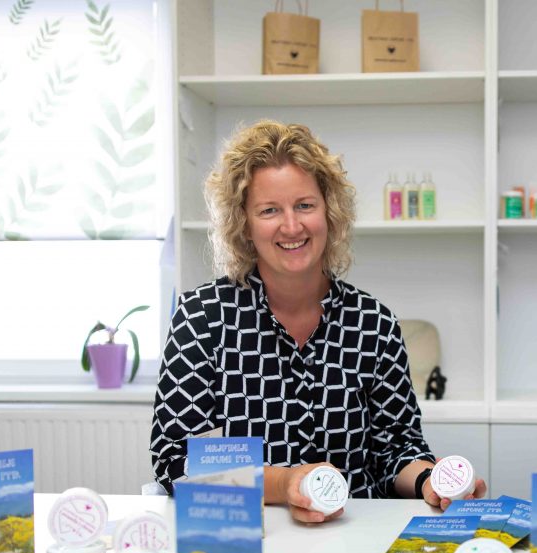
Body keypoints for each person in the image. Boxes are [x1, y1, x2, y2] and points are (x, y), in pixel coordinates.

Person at [150, 120, 486, 523]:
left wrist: (431, 481)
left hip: (357, 537)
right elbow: (176, 460)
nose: (292, 226)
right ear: (244, 224)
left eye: (305, 205)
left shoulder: (373, 323)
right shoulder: (201, 318)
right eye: (269, 210)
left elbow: (397, 449)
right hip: (253, 539)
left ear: (330, 211)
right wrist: (285, 483)